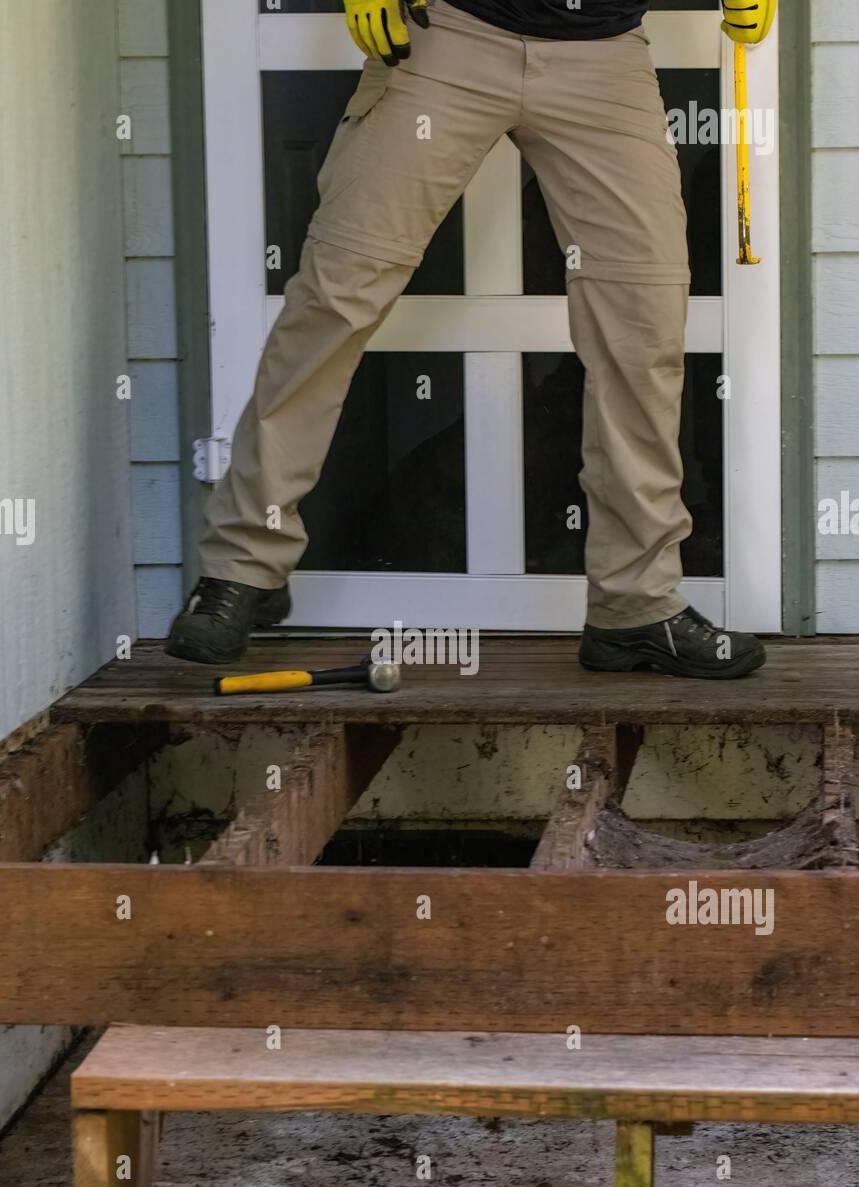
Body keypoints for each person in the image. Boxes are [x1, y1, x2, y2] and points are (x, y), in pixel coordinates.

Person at [166, 0, 776, 679]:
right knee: (334, 298)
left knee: (643, 326)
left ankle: (633, 606)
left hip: (604, 54)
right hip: (448, 32)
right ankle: (243, 567)